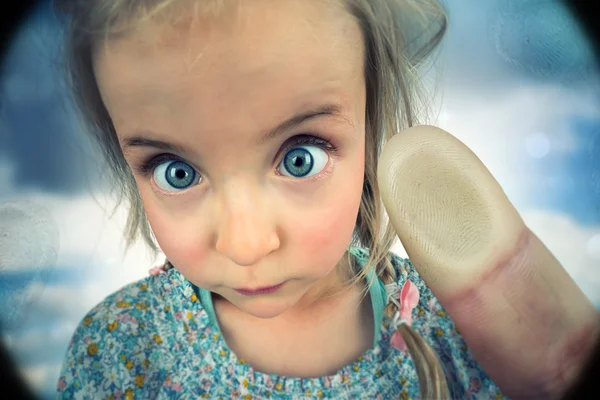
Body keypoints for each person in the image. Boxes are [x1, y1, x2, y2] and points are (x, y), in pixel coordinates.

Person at [54, 0, 600, 398]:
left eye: (300, 158)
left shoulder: (464, 336)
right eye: (176, 172)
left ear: (371, 124)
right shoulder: (121, 348)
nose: (246, 245)